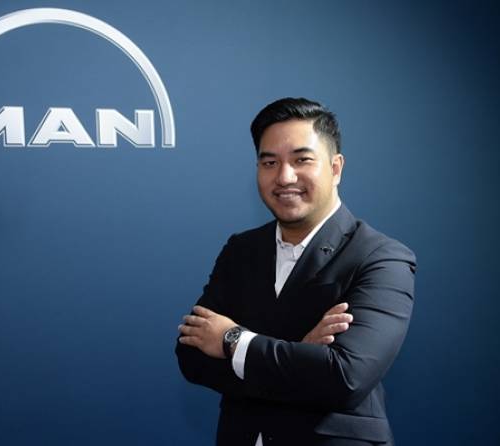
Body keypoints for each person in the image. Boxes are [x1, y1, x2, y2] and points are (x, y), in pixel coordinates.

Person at [175, 97, 416, 446]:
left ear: (335, 168)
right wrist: (301, 352)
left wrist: (233, 340)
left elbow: (345, 378)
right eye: (269, 162)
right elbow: (192, 356)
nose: (285, 177)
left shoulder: (381, 258)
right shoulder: (241, 250)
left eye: (302, 160)